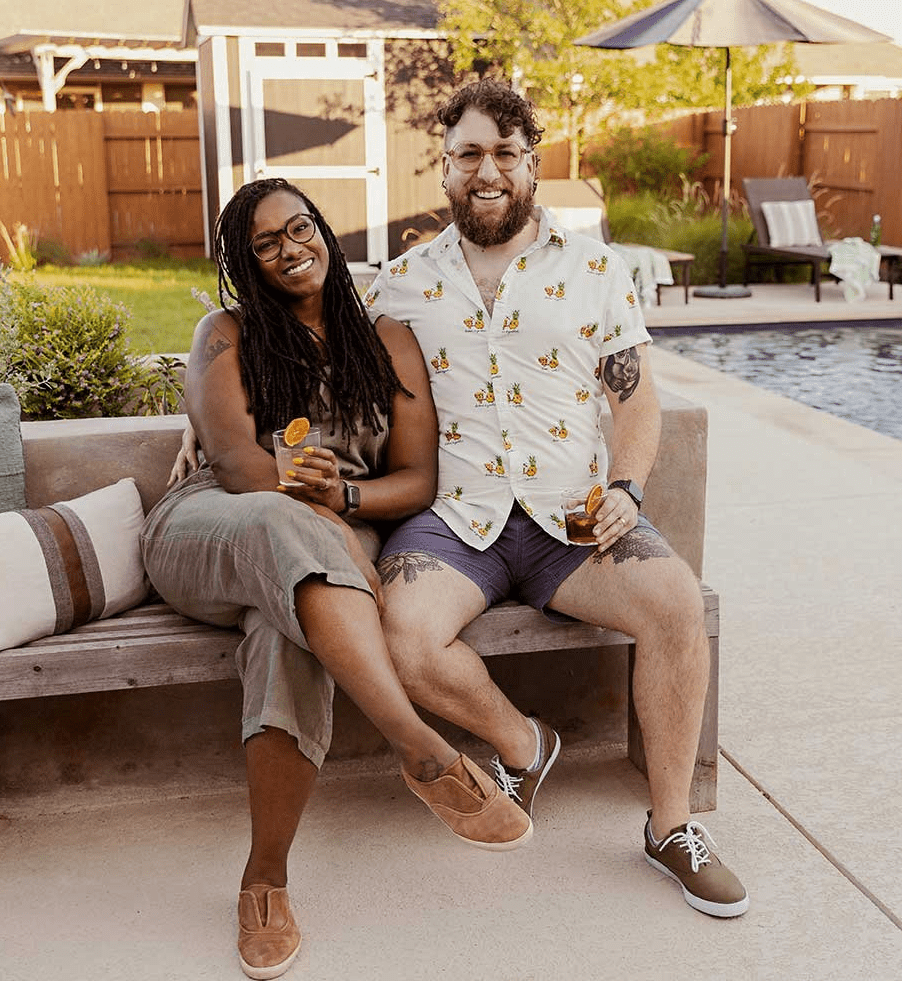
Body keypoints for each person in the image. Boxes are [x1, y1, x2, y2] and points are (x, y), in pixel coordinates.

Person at [366, 78, 748, 919]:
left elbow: (634, 396)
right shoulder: (400, 281)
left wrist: (625, 485)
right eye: (469, 154)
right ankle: (522, 743)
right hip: (455, 518)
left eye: (505, 154)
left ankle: (672, 827)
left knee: (677, 603)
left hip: (568, 517)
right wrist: (200, 416)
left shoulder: (594, 268)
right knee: (404, 635)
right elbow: (299, 339)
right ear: (445, 167)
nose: (488, 171)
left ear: (532, 164)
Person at [139, 177, 530, 981]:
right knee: (292, 530)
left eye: (300, 228)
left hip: (318, 564)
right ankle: (419, 748)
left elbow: (417, 479)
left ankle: (265, 882)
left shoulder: (385, 340)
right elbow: (244, 469)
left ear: (324, 229)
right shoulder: (227, 333)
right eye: (266, 244)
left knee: (293, 641)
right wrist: (327, 523)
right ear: (246, 266)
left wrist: (346, 502)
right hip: (212, 533)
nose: (291, 249)